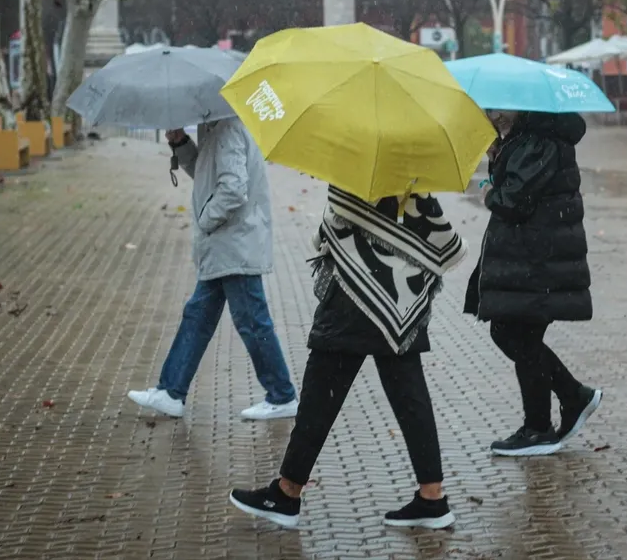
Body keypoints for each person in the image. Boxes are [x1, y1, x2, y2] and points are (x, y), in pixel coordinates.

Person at [229, 186, 467, 529]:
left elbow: (339, 222)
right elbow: (433, 231)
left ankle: (287, 493)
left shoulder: (362, 161)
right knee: (409, 396)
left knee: (320, 397)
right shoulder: (413, 161)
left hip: (351, 300)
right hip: (401, 297)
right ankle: (432, 497)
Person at [126, 119, 298, 421]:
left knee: (252, 321)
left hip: (234, 242)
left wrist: (205, 220)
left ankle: (282, 395)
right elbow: (207, 175)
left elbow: (233, 188)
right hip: (227, 243)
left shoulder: (227, 127)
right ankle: (171, 391)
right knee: (199, 315)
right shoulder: (215, 126)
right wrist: (181, 143)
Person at [466, 110, 602, 457]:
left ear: (516, 109)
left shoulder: (538, 142)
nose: (490, 114)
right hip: (532, 258)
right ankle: (550, 415)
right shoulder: (528, 140)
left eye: (495, 109)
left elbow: (515, 200)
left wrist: (490, 192)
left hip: (537, 261)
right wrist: (498, 156)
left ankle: (551, 417)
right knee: (520, 337)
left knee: (515, 335)